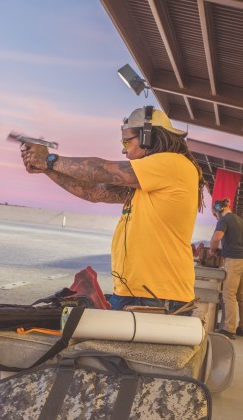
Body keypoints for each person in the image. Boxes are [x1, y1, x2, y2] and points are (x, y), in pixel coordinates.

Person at [20, 106, 208, 314]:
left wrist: (49, 159)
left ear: (149, 138)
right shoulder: (149, 180)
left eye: (127, 142)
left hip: (158, 297)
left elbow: (102, 170)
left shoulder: (172, 164)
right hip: (138, 294)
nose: (123, 149)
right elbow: (93, 192)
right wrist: (46, 169)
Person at [209, 198, 243, 339]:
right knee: (242, 295)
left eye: (215, 215)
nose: (216, 218)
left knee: (229, 295)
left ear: (219, 210)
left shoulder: (224, 220)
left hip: (235, 262)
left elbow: (217, 238)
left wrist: (212, 250)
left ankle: (229, 329)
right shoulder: (240, 220)